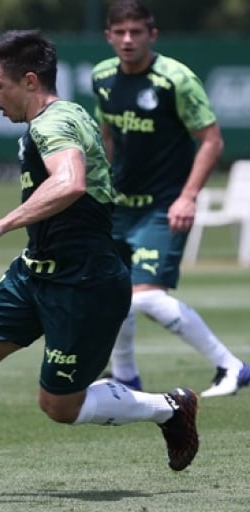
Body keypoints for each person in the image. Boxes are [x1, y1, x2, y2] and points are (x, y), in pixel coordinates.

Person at [0, 29, 199, 495]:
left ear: (30, 81)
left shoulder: (52, 123)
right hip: (36, 270)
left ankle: (168, 407)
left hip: (84, 281)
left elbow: (69, 182)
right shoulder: (61, 116)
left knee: (59, 406)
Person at [92, 0, 247, 397]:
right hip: (120, 207)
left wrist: (188, 197)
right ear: (109, 35)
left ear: (152, 34)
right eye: (120, 32)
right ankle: (125, 375)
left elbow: (211, 141)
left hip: (164, 206)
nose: (128, 40)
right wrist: (103, 190)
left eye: (136, 32)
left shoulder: (175, 79)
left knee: (146, 297)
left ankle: (231, 366)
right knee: (114, 293)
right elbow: (107, 134)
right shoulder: (102, 77)